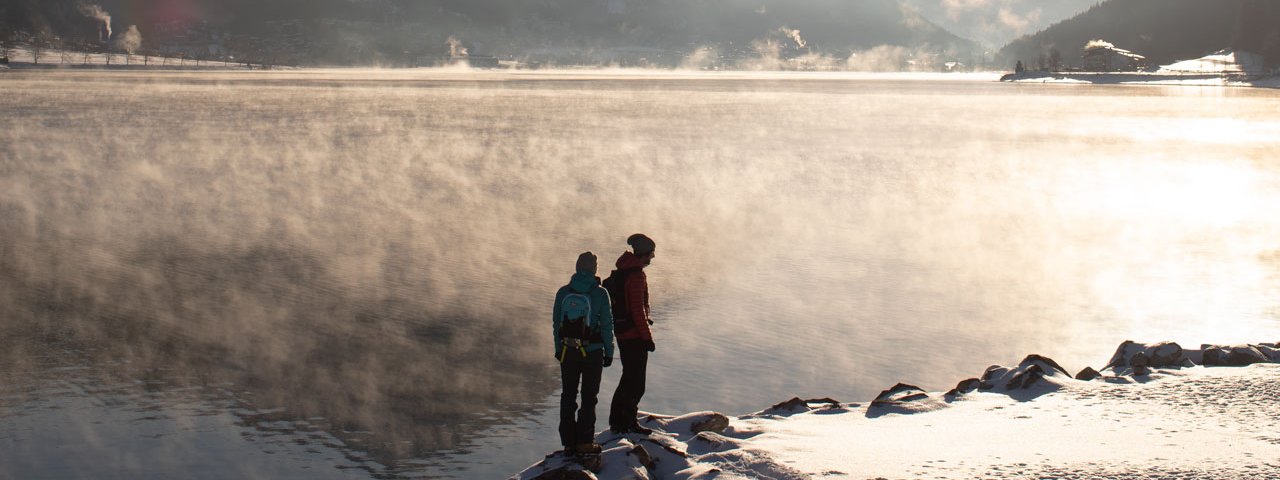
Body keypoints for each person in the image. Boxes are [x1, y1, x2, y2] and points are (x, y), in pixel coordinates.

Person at [553, 251, 615, 456]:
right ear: (594, 269)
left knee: (568, 396)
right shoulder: (600, 293)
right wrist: (609, 351)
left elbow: (556, 324)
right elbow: (607, 325)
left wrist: (558, 348)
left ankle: (568, 443)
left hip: (567, 351)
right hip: (593, 352)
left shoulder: (563, 292)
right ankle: (585, 442)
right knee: (589, 397)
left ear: (577, 267)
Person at [607, 233, 657, 435]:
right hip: (634, 336)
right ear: (643, 254)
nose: (652, 258)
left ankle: (618, 421)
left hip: (622, 333)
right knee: (636, 383)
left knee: (627, 378)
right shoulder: (635, 275)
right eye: (651, 254)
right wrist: (647, 338)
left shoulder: (624, 271)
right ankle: (627, 422)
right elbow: (638, 310)